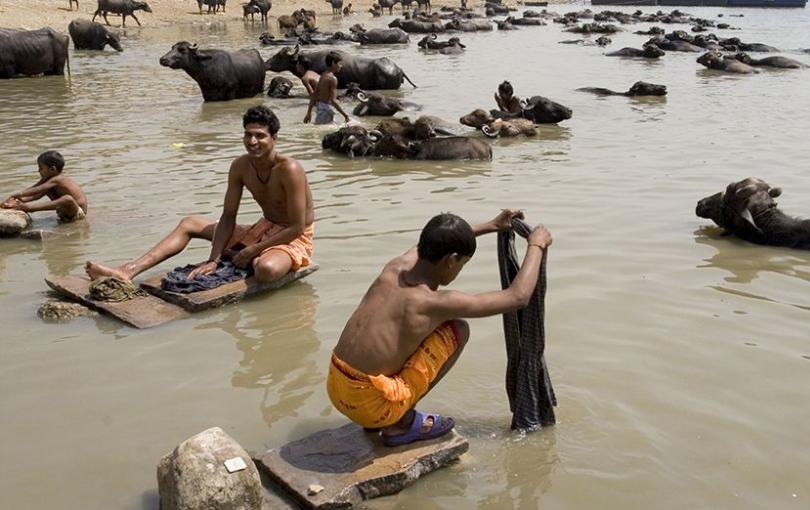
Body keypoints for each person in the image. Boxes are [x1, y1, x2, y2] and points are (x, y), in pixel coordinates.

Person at [326, 211, 552, 446]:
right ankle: (400, 423)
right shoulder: (430, 303)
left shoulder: (395, 266)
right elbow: (518, 297)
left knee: (407, 338)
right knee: (458, 330)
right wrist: (536, 245)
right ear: (451, 260)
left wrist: (491, 225)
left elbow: (431, 243)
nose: (459, 270)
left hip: (336, 385)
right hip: (370, 406)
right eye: (461, 265)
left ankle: (378, 415)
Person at [85, 106, 314, 283]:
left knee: (266, 269)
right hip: (263, 227)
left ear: (274, 138)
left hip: (292, 236)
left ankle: (257, 258)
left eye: (260, 136)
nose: (252, 142)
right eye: (247, 135)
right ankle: (127, 271)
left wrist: (253, 250)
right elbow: (228, 215)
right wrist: (213, 259)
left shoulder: (289, 170)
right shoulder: (240, 166)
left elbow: (297, 227)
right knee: (189, 223)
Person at [2, 151, 88, 223]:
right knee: (46, 189)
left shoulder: (59, 179)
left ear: (52, 169)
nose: (38, 170)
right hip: (64, 212)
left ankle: (30, 208)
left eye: (41, 168)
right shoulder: (48, 180)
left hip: (77, 212)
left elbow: (38, 189)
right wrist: (18, 199)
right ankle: (21, 205)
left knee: (67, 198)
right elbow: (35, 190)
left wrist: (18, 194)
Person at [304, 52, 351, 125]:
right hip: (327, 109)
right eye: (339, 63)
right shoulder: (333, 79)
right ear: (333, 63)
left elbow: (314, 94)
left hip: (321, 107)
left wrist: (309, 113)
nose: (341, 66)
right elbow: (333, 101)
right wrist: (345, 115)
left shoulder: (323, 75)